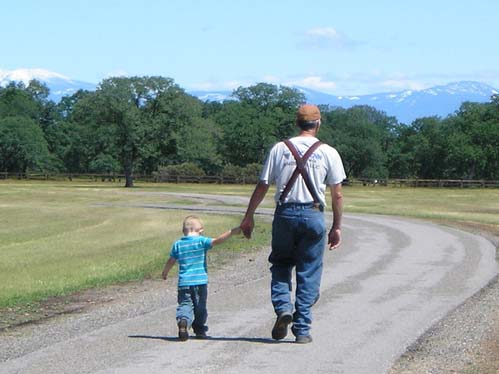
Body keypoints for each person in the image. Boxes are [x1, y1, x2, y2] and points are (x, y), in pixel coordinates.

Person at [240, 104, 345, 344]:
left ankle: (283, 308)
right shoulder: (329, 152)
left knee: (281, 264)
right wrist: (337, 226)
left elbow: (263, 185)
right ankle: (302, 329)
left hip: (285, 214)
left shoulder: (280, 148)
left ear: (297, 123)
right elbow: (337, 194)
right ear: (318, 124)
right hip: (313, 214)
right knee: (309, 271)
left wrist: (249, 216)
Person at [162, 215, 241, 341]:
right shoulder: (201, 241)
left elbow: (171, 260)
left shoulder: (178, 244)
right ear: (200, 230)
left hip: (184, 283)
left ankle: (183, 321)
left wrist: (165, 272)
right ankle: (199, 329)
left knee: (185, 304)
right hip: (200, 282)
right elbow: (217, 241)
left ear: (184, 230)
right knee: (200, 307)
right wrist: (231, 232)